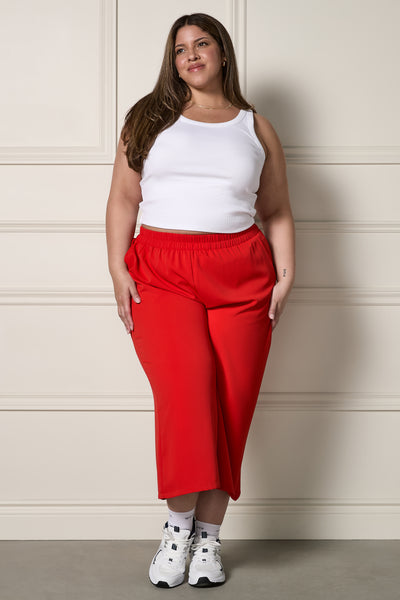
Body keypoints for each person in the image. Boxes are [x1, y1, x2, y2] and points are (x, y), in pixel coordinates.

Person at [105, 12, 295, 589]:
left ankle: (208, 539)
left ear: (222, 53)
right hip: (163, 270)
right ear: (173, 60)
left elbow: (276, 209)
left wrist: (286, 274)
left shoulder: (256, 127)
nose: (191, 55)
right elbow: (123, 199)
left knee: (232, 403)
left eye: (202, 43)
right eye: (180, 47)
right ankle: (177, 528)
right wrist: (116, 268)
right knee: (186, 391)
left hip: (243, 272)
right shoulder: (148, 119)